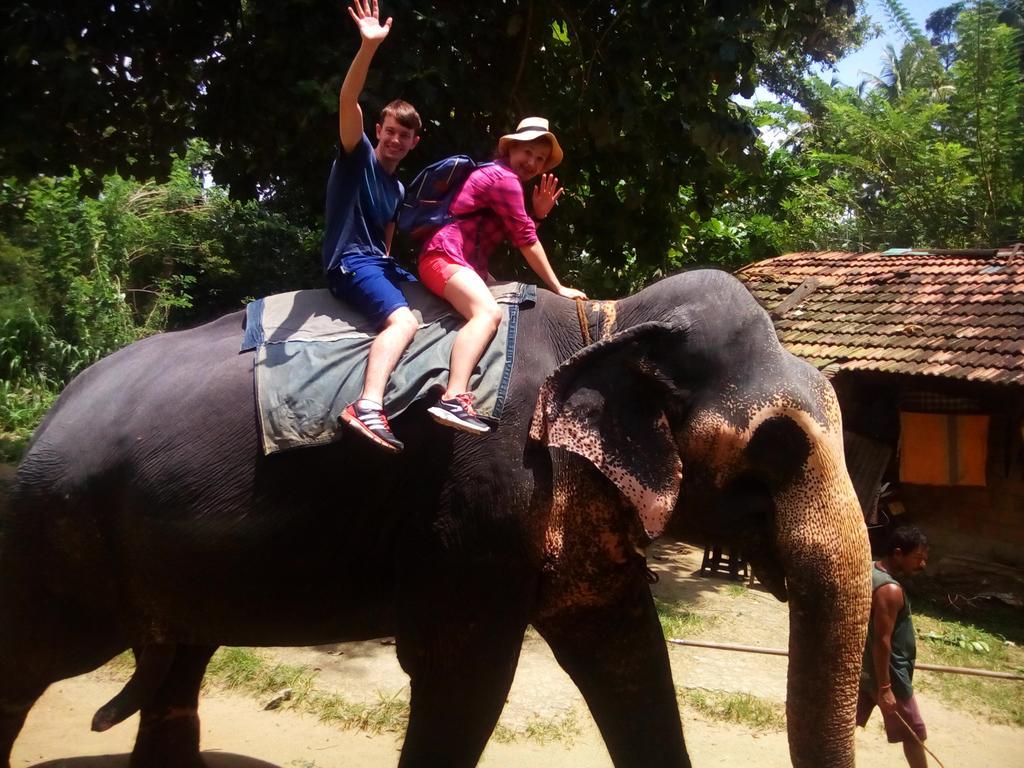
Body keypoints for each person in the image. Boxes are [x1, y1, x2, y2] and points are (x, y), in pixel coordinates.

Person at [416, 117, 587, 433]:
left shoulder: (503, 179)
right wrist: (558, 286)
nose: (533, 163)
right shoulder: (503, 179)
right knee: (487, 314)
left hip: (464, 264)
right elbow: (525, 240)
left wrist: (537, 214)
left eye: (540, 159)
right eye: (528, 153)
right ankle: (453, 397)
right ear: (512, 149)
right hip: (443, 257)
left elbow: (517, 230)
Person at [323, 0, 421, 453]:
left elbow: (386, 237)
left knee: (433, 292)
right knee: (402, 322)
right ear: (377, 129)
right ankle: (367, 405)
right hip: (349, 262)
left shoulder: (398, 190)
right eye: (390, 130)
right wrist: (368, 47)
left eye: (405, 135)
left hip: (377, 261)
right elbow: (347, 100)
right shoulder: (356, 155)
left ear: (414, 142)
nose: (396, 140)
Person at [857, 525, 930, 768]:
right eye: (918, 558)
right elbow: (882, 640)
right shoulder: (889, 590)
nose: (922, 565)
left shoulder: (869, 570)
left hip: (864, 667)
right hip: (890, 673)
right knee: (913, 734)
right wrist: (886, 687)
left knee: (844, 723)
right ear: (898, 554)